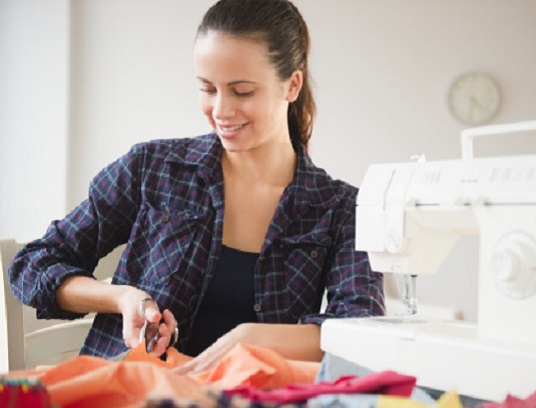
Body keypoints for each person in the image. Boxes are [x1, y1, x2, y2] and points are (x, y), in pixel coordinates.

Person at [9, 0, 384, 374]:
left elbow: (362, 332)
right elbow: (32, 265)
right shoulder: (153, 168)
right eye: (208, 89)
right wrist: (123, 297)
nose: (220, 110)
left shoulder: (341, 209)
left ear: (292, 85)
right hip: (132, 390)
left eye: (241, 91)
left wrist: (249, 339)